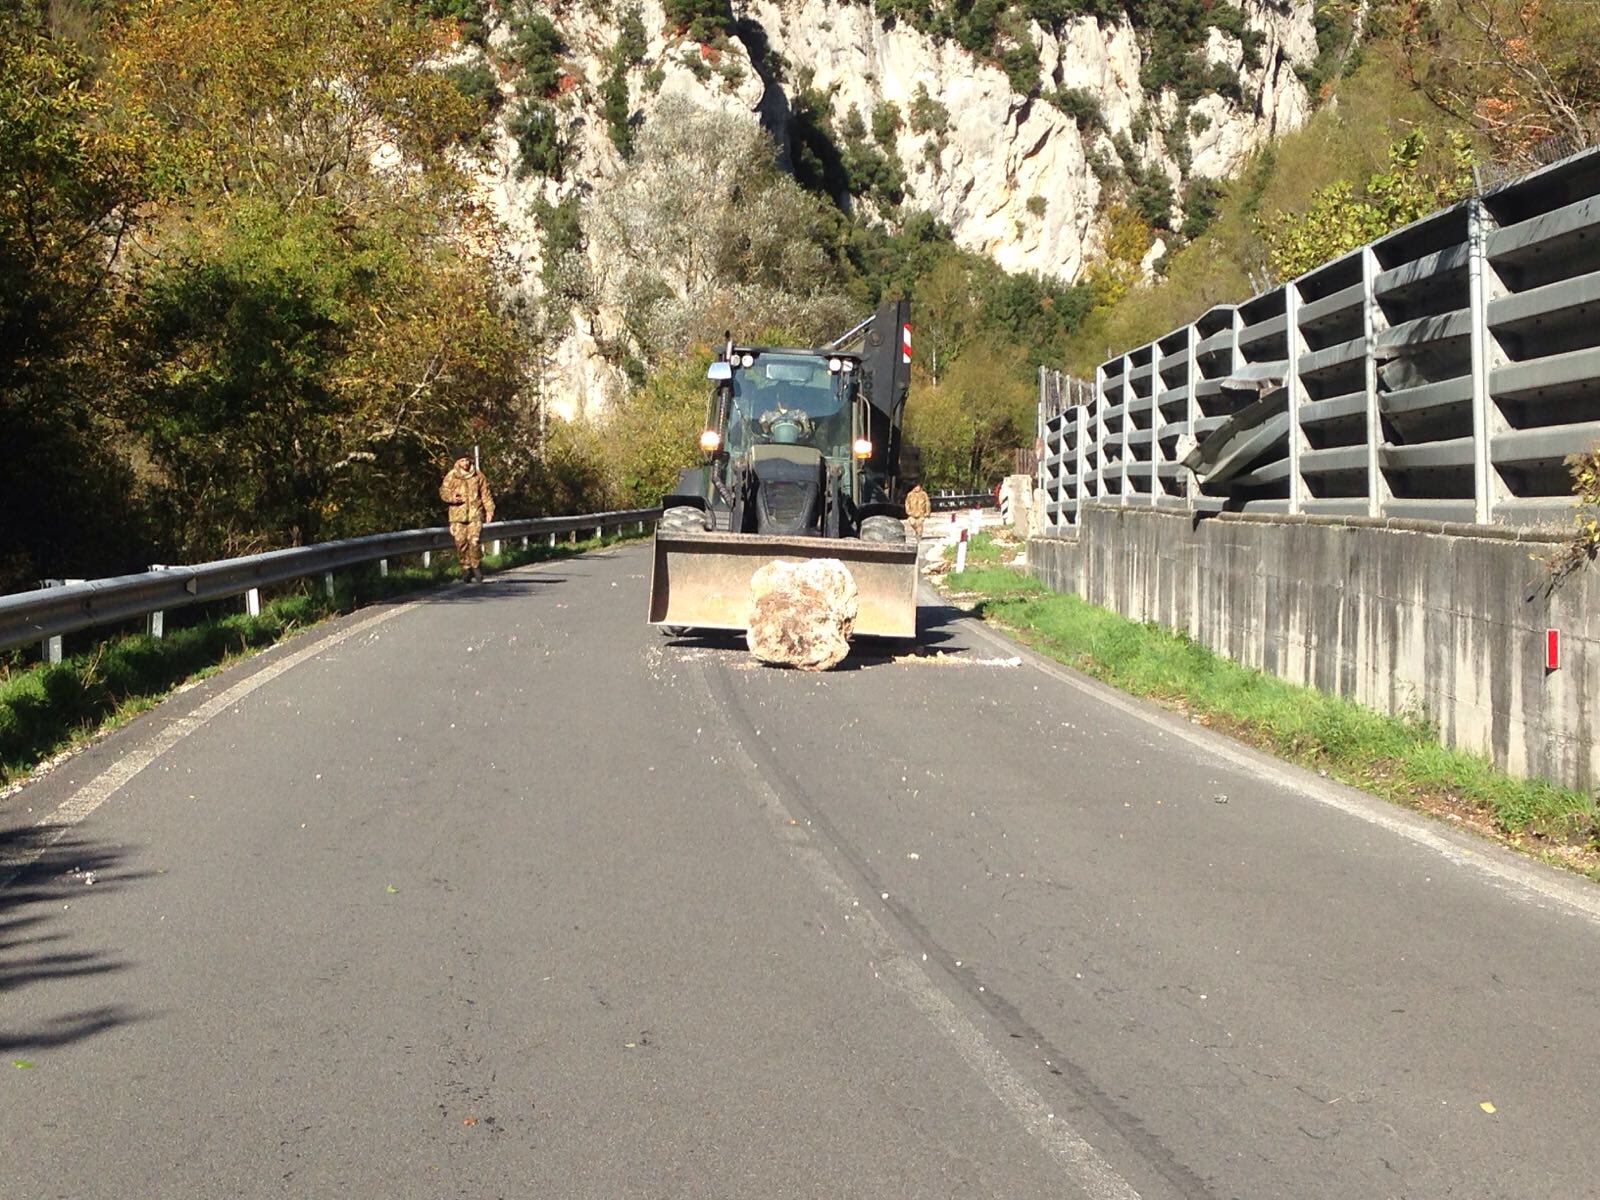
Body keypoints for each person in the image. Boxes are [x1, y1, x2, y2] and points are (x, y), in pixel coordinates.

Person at [439, 448, 495, 583]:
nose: (465, 463)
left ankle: (476, 566)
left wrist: (489, 510)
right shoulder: (452, 476)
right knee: (461, 543)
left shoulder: (478, 476)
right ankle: (465, 568)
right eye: (462, 460)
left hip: (475, 515)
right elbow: (443, 492)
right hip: (457, 516)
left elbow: (485, 494)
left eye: (466, 460)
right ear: (458, 462)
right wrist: (452, 498)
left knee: (474, 542)